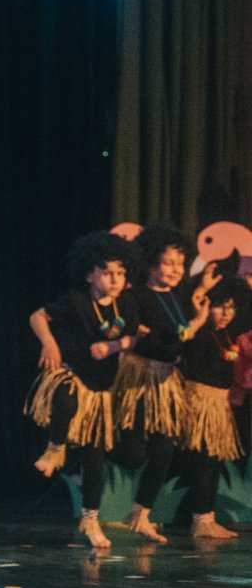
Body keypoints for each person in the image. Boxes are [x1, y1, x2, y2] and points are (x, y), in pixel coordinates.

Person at [25, 231, 139, 548]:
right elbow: (37, 316)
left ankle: (90, 520)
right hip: (73, 374)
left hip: (102, 392)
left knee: (95, 457)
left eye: (120, 273)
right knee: (64, 394)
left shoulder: (126, 304)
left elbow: (135, 337)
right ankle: (54, 448)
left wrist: (115, 345)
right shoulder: (76, 301)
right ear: (90, 274)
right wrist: (49, 343)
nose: (115, 279)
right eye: (107, 273)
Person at [110, 225, 202, 543]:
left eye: (180, 263)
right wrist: (180, 335)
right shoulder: (134, 296)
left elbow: (180, 341)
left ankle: (141, 514)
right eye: (169, 262)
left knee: (165, 449)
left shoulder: (179, 298)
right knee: (134, 453)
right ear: (151, 263)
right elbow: (137, 338)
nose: (177, 269)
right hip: (139, 378)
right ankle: (82, 459)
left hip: (166, 382)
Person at [178, 271, 247, 538]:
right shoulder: (198, 333)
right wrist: (201, 295)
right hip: (200, 402)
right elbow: (183, 332)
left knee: (214, 460)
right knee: (204, 460)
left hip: (221, 404)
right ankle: (200, 520)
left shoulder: (229, 335)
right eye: (219, 306)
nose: (225, 313)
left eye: (231, 307)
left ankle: (207, 518)